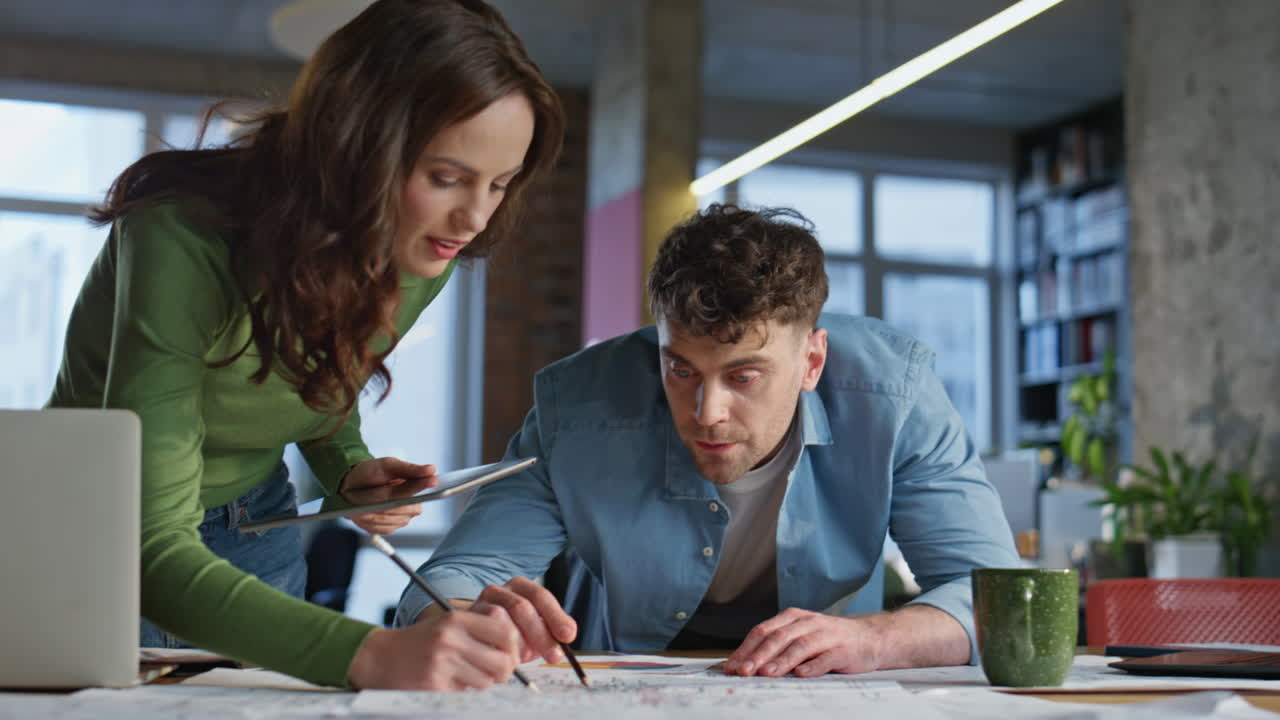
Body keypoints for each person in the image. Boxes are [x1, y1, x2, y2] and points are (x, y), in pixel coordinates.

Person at [46, 0, 565, 691]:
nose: (474, 218)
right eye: (446, 178)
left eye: (499, 185)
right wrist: (376, 653)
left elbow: (318, 380)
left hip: (256, 525)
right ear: (355, 148)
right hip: (94, 531)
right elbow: (150, 546)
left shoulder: (423, 250)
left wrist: (346, 469)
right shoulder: (178, 238)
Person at [396, 204, 1020, 677]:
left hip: (821, 691)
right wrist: (460, 619)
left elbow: (996, 597)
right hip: (630, 683)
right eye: (681, 369)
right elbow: (459, 573)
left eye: (744, 376)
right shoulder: (577, 407)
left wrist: (874, 640)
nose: (707, 413)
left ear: (811, 361)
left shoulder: (897, 395)